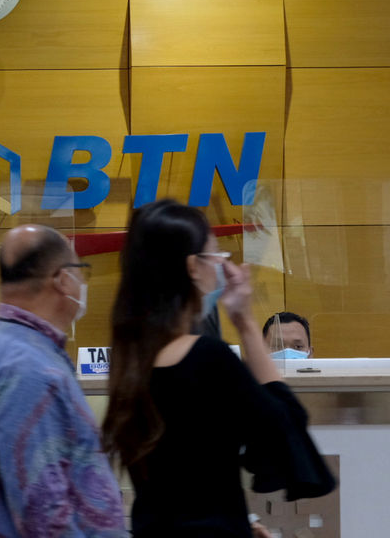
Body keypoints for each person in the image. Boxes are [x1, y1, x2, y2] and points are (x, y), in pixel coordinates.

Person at [101, 199, 334, 538]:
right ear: (193, 267)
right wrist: (245, 321)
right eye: (216, 256)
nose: (224, 267)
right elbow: (285, 430)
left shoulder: (132, 362)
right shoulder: (207, 358)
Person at [0, 224, 127, 537]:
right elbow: (44, 510)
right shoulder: (27, 368)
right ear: (63, 279)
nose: (83, 283)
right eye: (81, 272)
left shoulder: (8, 346)